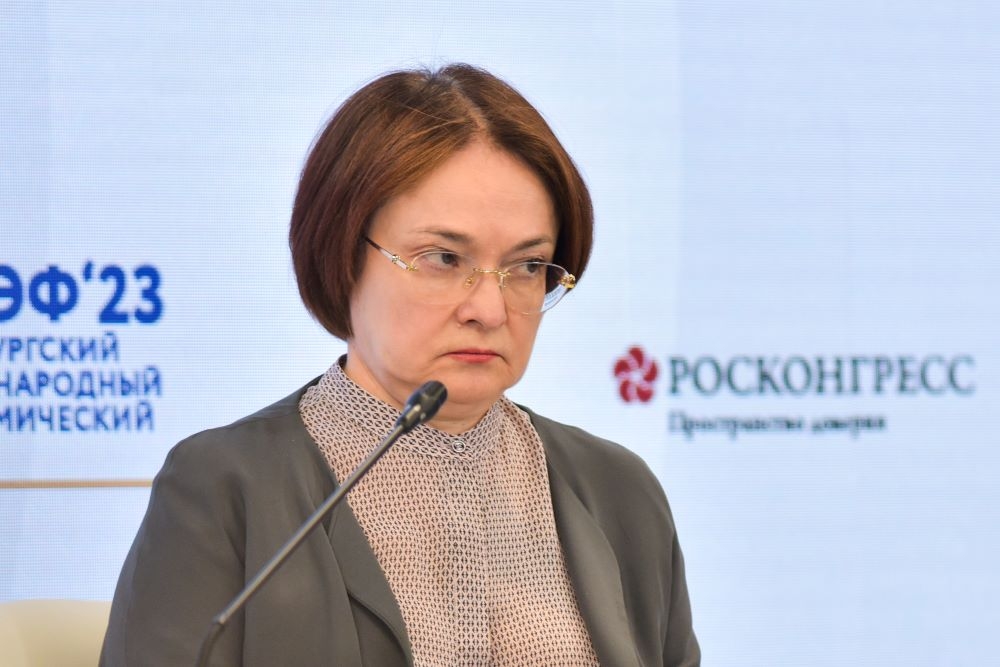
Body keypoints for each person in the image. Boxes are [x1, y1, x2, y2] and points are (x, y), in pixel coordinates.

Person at [100, 63, 700, 667]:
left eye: (526, 266)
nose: (490, 309)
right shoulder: (224, 489)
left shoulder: (620, 493)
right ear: (342, 254)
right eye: (443, 258)